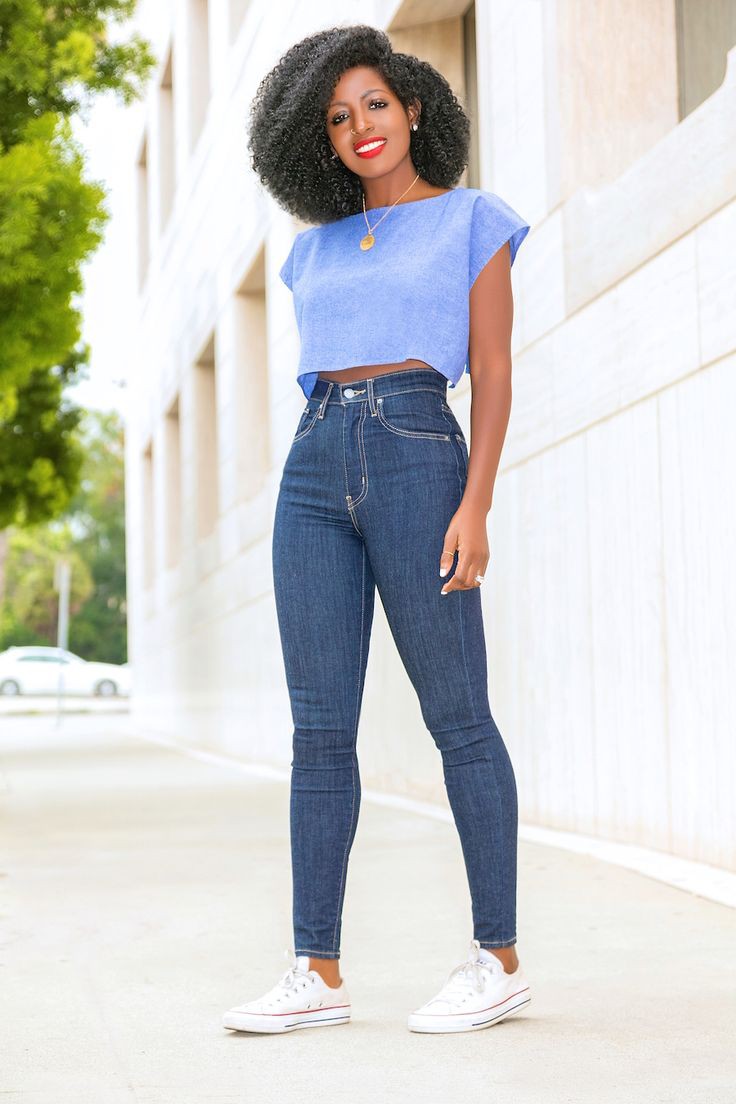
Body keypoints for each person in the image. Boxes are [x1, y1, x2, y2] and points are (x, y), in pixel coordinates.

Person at [223, 23, 532, 1036]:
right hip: (312, 469)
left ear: (412, 108)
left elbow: (491, 370)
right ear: (319, 140)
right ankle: (317, 971)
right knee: (319, 730)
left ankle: (497, 957)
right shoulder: (310, 253)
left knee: (458, 716)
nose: (361, 125)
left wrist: (474, 501)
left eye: (376, 104)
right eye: (338, 115)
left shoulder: (472, 219)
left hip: (416, 453)